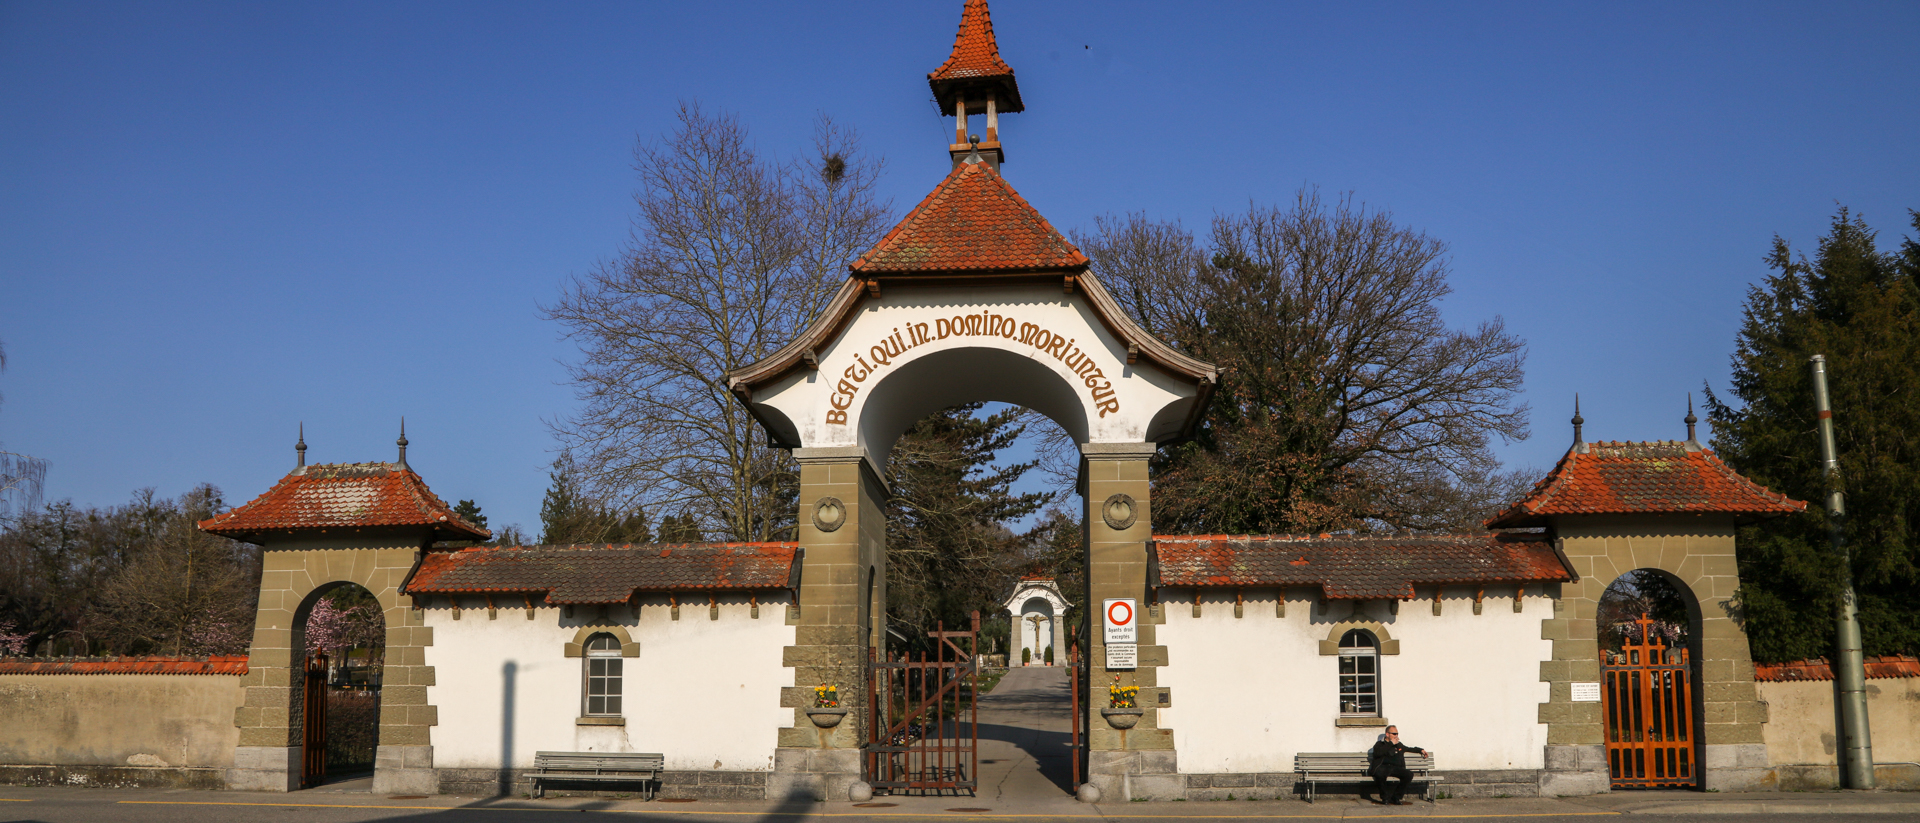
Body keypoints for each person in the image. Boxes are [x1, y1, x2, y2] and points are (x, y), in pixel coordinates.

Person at [1368, 726, 1430, 805]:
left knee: (1408, 774)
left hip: (1395, 768)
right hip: (1382, 767)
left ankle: (1396, 797)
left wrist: (1420, 750)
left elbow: (1408, 748)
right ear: (1387, 734)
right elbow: (1378, 753)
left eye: (1397, 734)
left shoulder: (1398, 745)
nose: (1396, 736)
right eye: (1394, 734)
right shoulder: (1380, 744)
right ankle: (1385, 798)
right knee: (1380, 775)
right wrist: (1390, 744)